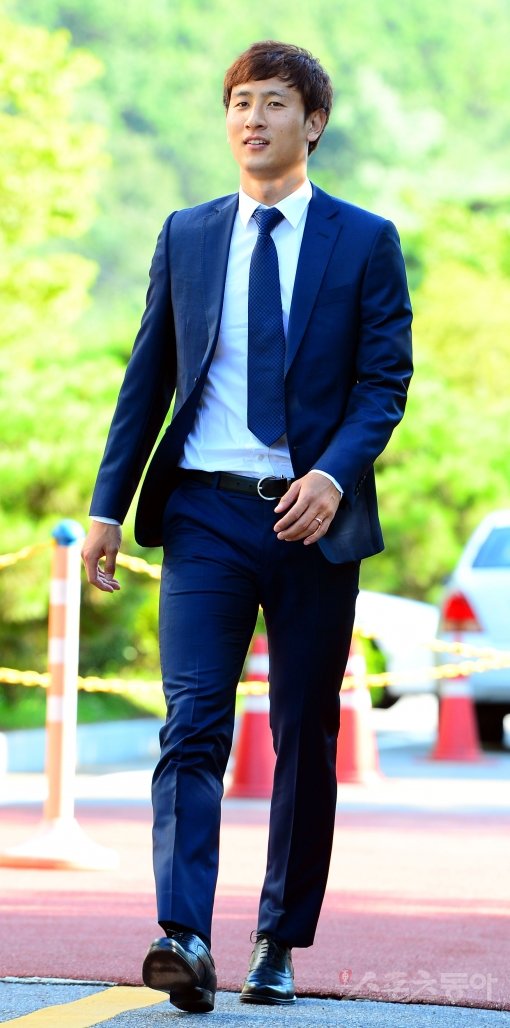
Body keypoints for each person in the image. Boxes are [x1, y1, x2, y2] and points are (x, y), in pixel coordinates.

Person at [82, 39, 413, 1014]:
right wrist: (107, 505)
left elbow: (384, 382)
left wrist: (334, 474)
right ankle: (183, 934)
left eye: (273, 102)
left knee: (305, 729)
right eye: (239, 102)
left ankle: (278, 936)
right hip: (205, 511)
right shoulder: (187, 233)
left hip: (313, 519)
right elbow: (148, 376)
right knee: (192, 718)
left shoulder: (365, 240)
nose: (252, 118)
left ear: (313, 122)